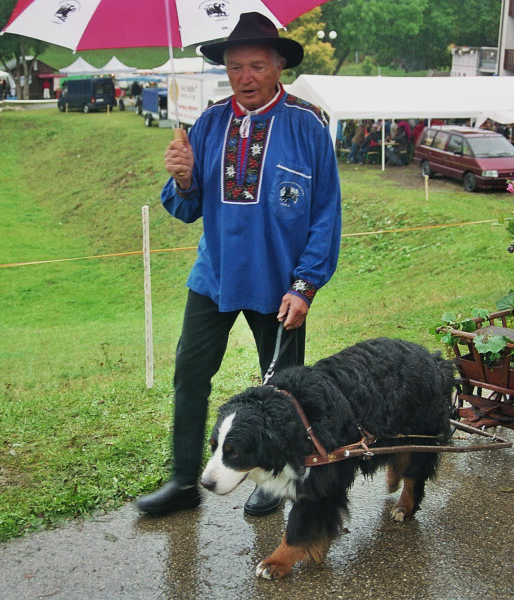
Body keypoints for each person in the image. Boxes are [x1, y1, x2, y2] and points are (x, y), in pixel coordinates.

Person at [135, 12, 341, 517]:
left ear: (278, 67)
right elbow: (186, 209)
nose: (244, 77)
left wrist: (306, 285)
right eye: (234, 67)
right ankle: (185, 481)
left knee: (284, 392)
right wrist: (183, 179)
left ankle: (275, 483)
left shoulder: (306, 126)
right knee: (190, 374)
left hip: (281, 285)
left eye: (255, 66)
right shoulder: (207, 125)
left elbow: (325, 214)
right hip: (215, 278)